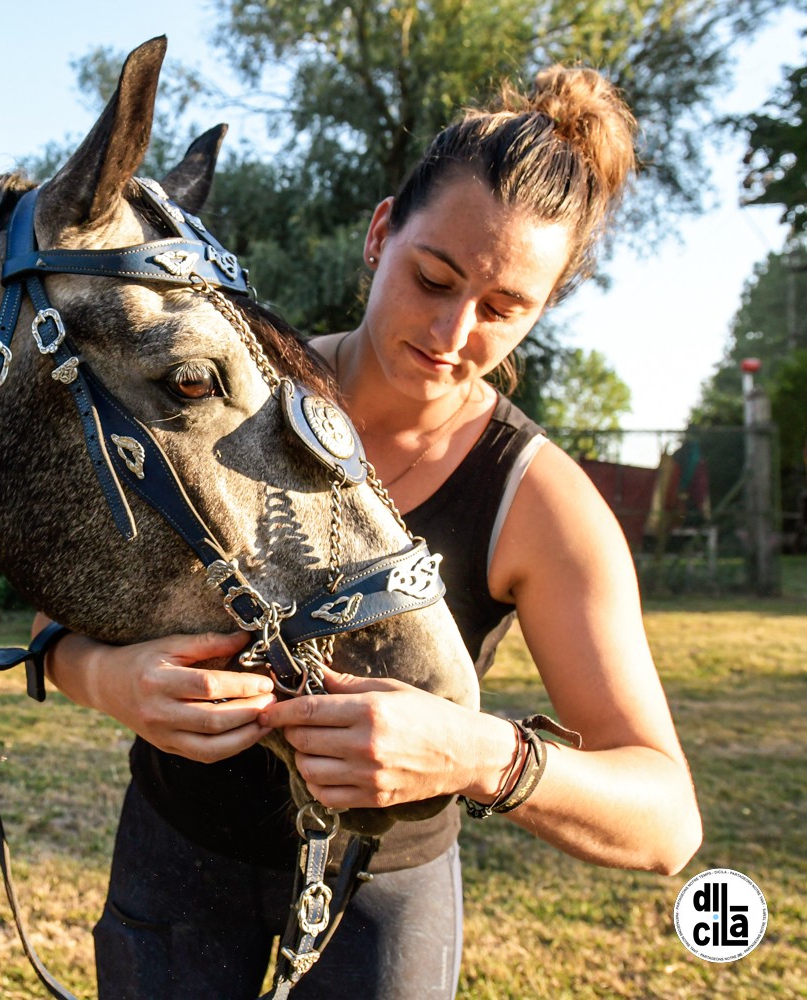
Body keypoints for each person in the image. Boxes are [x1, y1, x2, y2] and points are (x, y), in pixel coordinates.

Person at [38, 65, 702, 999]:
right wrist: (107, 678)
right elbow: (52, 623)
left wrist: (479, 752)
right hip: (172, 855)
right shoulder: (214, 392)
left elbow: (667, 821)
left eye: (504, 309)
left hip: (381, 902)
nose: (451, 329)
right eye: (433, 276)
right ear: (381, 231)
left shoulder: (539, 503)